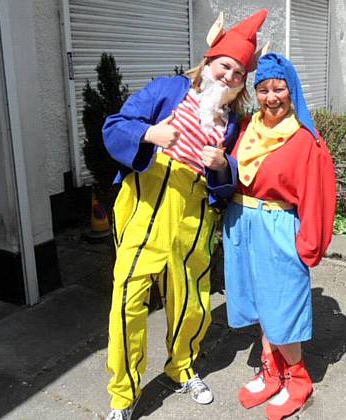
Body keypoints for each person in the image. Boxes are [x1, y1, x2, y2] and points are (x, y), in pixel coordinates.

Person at [102, 10, 268, 420]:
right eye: (225, 66)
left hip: (193, 218)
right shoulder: (167, 90)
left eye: (238, 74)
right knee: (127, 301)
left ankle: (182, 367)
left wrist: (221, 167)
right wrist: (148, 133)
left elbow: (230, 185)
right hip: (145, 206)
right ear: (209, 61)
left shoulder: (234, 125)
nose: (229, 77)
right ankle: (124, 396)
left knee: (192, 300)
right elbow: (114, 126)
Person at [222, 53, 337, 420]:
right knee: (258, 301)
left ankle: (298, 379)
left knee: (282, 304)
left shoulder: (304, 140)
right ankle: (273, 370)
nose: (272, 97)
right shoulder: (245, 129)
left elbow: (319, 195)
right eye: (264, 89)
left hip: (278, 227)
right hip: (243, 223)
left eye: (279, 88)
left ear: (292, 90)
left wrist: (309, 244)